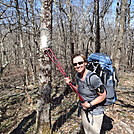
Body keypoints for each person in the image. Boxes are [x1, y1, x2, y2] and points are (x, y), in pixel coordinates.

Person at [65, 53, 106, 134]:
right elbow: (78, 90)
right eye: (75, 64)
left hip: (95, 111)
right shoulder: (78, 76)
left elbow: (103, 95)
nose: (78, 66)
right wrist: (70, 83)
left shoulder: (93, 78)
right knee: (87, 131)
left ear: (85, 63)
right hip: (84, 109)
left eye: (80, 63)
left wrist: (89, 105)